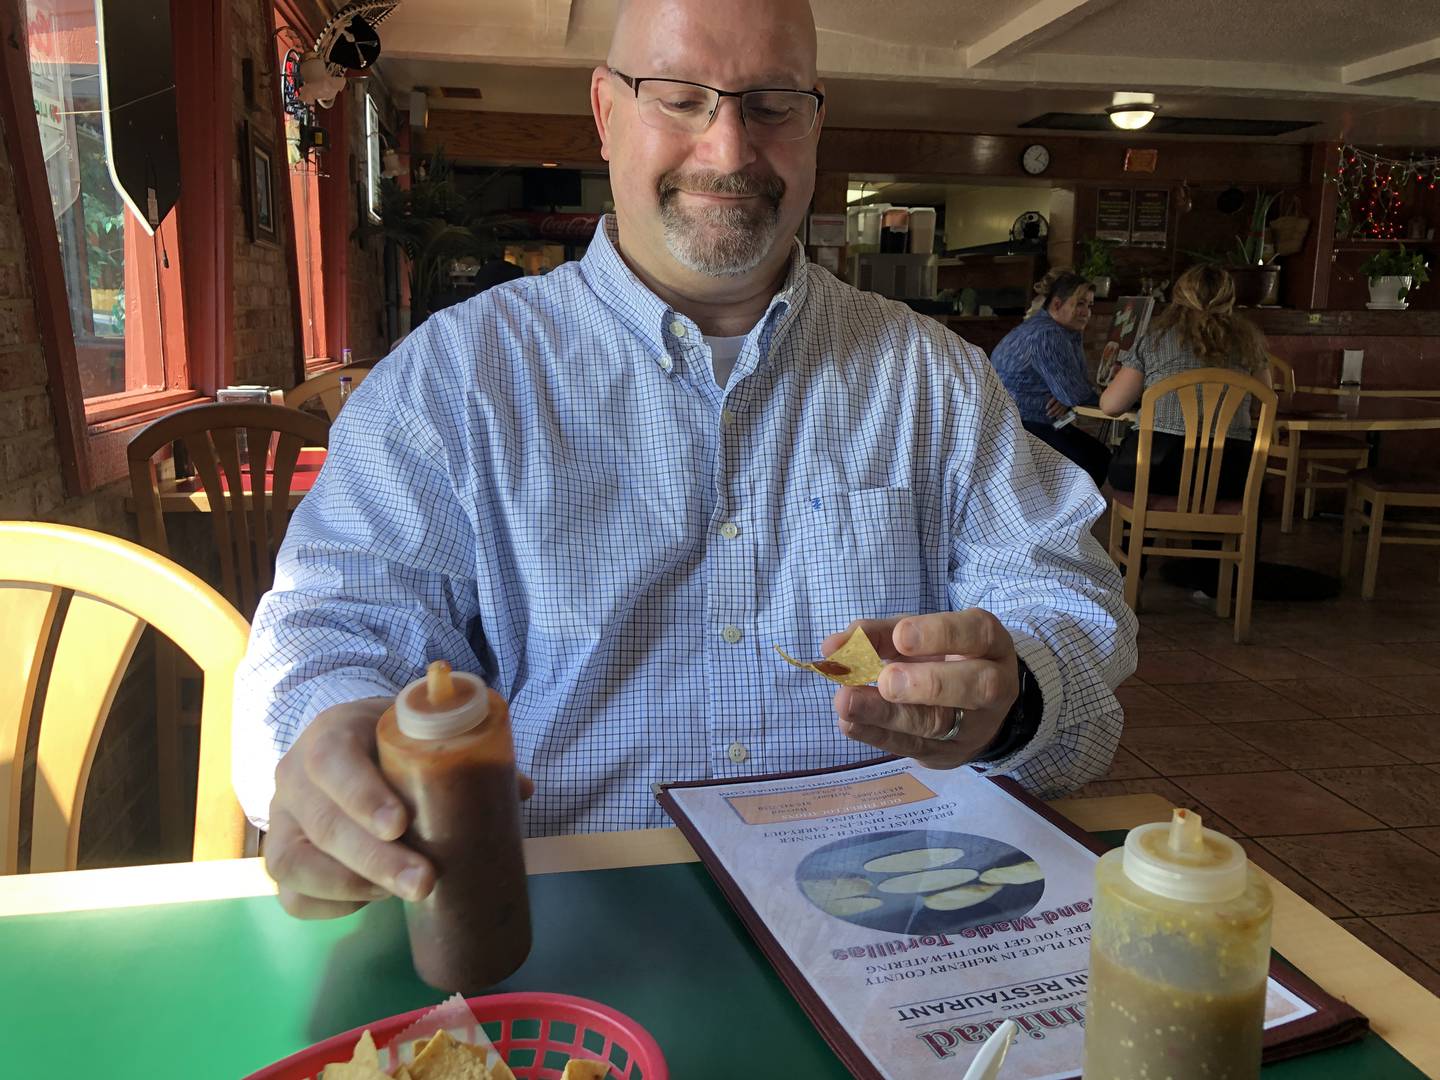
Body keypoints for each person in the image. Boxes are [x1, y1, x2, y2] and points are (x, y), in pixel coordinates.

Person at [237, 0, 1137, 921]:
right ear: (604, 111)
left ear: (818, 121)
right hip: (562, 929)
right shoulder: (450, 381)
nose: (730, 149)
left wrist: (1011, 696)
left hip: (896, 917)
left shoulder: (935, 379)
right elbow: (332, 626)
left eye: (774, 104)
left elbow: (1069, 605)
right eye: (679, 97)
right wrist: (330, 735)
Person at [1100, 263, 1265, 500]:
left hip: (1153, 467)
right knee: (1245, 485)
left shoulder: (1153, 342)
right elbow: (1263, 400)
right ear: (1229, 300)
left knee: (1121, 467)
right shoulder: (1250, 345)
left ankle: (1137, 537)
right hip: (1229, 473)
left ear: (1178, 297)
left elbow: (1111, 406)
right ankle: (1215, 535)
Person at [989, 270, 1111, 487]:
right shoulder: (1047, 334)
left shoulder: (1061, 331)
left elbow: (1075, 386)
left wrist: (1067, 395)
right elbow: (1077, 392)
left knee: (1098, 456)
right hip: (1020, 428)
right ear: (1056, 305)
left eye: (1090, 305)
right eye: (1080, 304)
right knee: (1096, 461)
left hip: (1028, 423)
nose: (1087, 312)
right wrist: (1080, 395)